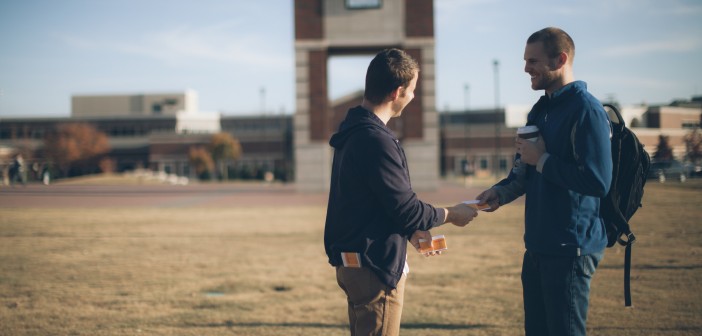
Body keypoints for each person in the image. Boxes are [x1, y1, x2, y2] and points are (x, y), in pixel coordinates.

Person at [324, 48, 478, 336]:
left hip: (356, 263)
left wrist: (410, 232)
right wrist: (453, 214)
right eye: (412, 90)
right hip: (374, 267)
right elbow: (407, 208)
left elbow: (377, 202)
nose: (413, 97)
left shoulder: (354, 132)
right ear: (397, 92)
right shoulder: (375, 140)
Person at [476, 27, 613, 336]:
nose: (526, 68)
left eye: (533, 61)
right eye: (526, 60)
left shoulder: (586, 110)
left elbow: (598, 180)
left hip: (570, 251)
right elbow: (524, 173)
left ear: (560, 59)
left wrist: (543, 160)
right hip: (537, 247)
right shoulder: (539, 110)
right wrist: (500, 192)